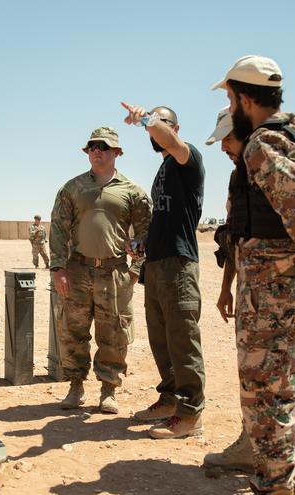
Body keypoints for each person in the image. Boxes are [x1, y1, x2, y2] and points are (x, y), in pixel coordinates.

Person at [209, 55, 295, 495]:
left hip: (272, 296)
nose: (229, 107)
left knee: (268, 400)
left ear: (243, 98)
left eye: (228, 98)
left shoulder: (263, 143)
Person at [49, 127, 151, 414]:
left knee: (113, 334)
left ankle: (108, 390)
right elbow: (57, 228)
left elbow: (145, 233)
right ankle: (75, 386)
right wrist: (58, 268)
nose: (97, 151)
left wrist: (135, 270)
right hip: (78, 270)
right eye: (93, 147)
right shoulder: (72, 188)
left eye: (104, 147)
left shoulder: (132, 192)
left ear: (117, 152)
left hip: (115, 274)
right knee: (73, 331)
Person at [120, 102, 206, 440]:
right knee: (162, 340)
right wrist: (143, 243)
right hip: (156, 264)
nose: (155, 130)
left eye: (163, 122)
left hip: (179, 264)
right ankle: (170, 400)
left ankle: (190, 415)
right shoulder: (164, 169)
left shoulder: (189, 158)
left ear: (175, 129)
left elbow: (167, 139)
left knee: (183, 340)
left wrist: (145, 118)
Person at [202, 106, 255, 473]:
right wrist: (226, 289)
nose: (223, 149)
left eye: (228, 139)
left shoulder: (266, 170)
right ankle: (251, 442)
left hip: (273, 296)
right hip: (253, 288)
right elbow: (236, 239)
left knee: (264, 378)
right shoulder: (241, 177)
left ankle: (257, 449)